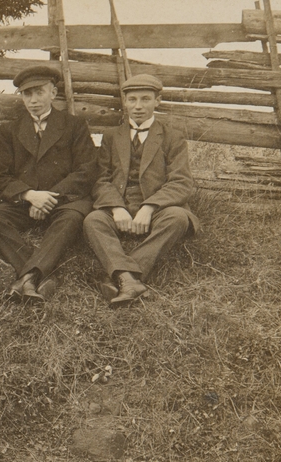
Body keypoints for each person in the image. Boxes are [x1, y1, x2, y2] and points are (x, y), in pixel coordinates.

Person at [0, 65, 97, 301]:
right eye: (27, 94)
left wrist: (48, 197)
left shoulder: (74, 125)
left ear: (53, 93)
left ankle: (29, 278)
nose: (33, 100)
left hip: (64, 201)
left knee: (72, 219)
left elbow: (87, 170)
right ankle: (42, 274)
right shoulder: (10, 130)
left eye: (39, 92)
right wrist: (29, 195)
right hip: (25, 201)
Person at [83, 74, 199, 307]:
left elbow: (181, 182)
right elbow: (101, 179)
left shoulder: (172, 137)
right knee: (92, 220)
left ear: (157, 101)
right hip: (121, 204)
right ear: (124, 102)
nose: (138, 106)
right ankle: (130, 280)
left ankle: (123, 276)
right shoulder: (111, 136)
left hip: (157, 207)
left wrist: (150, 207)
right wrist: (116, 207)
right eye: (132, 99)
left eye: (145, 99)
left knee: (177, 218)